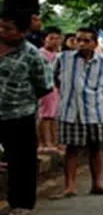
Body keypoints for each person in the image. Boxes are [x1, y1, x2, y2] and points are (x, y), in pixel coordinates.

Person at [51, 27, 103, 198]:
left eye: (86, 40)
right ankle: (70, 186)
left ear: (95, 43)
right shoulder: (63, 58)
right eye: (78, 40)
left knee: (96, 148)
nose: (81, 43)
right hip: (71, 110)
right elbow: (51, 79)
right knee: (71, 149)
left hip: (97, 111)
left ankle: (97, 184)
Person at [0, 10, 54, 215]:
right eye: (1, 26)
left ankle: (21, 203)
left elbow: (44, 84)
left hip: (18, 112)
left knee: (21, 160)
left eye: (8, 28)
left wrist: (24, 98)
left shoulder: (32, 54)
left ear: (21, 32)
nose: (2, 31)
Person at [37, 25, 62, 153]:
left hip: (55, 89)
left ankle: (53, 141)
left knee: (52, 116)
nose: (55, 41)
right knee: (44, 116)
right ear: (44, 40)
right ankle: (43, 142)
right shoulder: (41, 54)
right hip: (45, 88)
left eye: (57, 38)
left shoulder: (57, 55)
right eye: (51, 38)